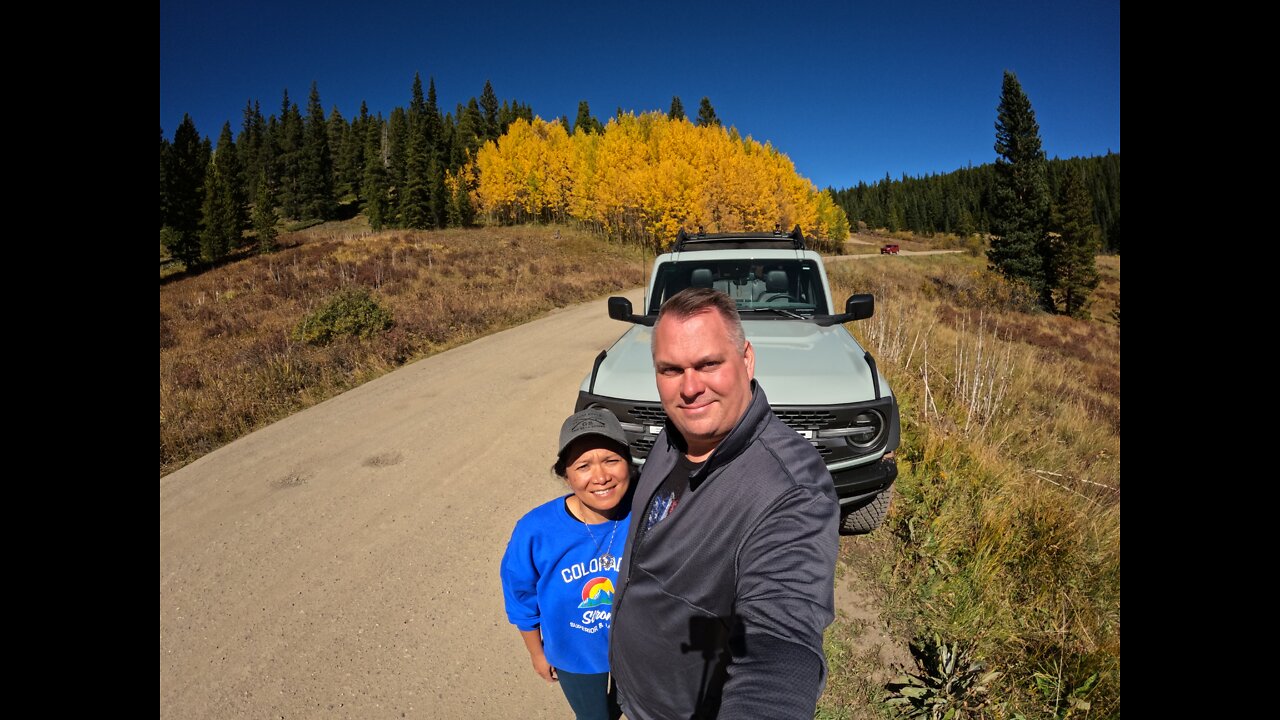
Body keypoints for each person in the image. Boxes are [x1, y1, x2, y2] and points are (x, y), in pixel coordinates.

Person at [610, 287, 839, 719]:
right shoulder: (676, 434)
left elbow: (780, 641)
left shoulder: (792, 489)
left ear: (747, 359)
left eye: (708, 364)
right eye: (671, 370)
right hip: (631, 686)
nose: (690, 388)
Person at [500, 407, 633, 720]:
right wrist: (536, 652)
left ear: (629, 463)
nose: (601, 476)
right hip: (575, 656)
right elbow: (520, 596)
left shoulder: (646, 512)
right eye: (583, 465)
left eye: (611, 460)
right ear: (565, 474)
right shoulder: (536, 530)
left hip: (638, 650)